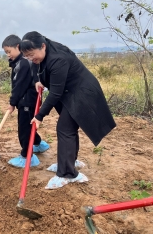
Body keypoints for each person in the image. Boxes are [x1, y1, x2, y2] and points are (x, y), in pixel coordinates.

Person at [20, 31, 116, 189]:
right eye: (27, 56)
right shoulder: (46, 51)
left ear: (42, 46)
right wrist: (38, 81)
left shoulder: (58, 59)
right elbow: (40, 68)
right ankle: (69, 162)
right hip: (70, 92)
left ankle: (67, 174)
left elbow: (56, 93)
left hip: (82, 93)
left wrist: (39, 116)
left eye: (32, 54)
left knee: (65, 128)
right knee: (68, 129)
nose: (31, 59)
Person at [2, 35, 50, 168]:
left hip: (27, 102)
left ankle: (26, 157)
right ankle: (39, 144)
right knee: (30, 125)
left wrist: (12, 103)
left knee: (24, 129)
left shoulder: (23, 63)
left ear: (18, 47)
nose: (8, 55)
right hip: (31, 100)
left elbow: (19, 86)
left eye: (9, 51)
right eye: (6, 52)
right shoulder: (23, 61)